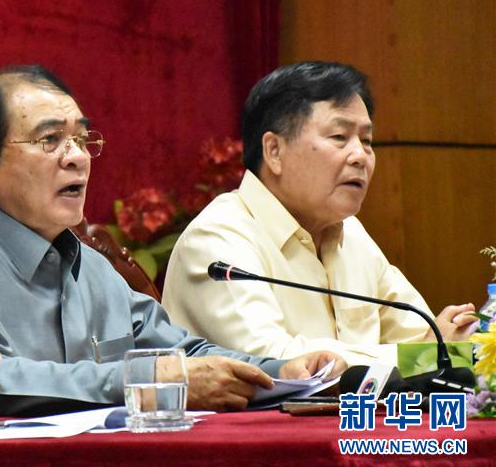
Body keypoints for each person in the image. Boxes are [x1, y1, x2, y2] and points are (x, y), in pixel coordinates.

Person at [0, 65, 344, 417]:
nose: (78, 158)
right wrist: (149, 379)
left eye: (82, 138)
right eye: (51, 140)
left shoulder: (93, 268)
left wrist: (280, 372)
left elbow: (183, 354)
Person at [162, 61, 477, 366]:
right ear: (274, 151)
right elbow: (277, 365)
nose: (360, 156)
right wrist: (423, 356)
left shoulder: (352, 234)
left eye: (367, 141)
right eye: (339, 137)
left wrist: (467, 348)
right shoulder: (216, 241)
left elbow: (427, 339)